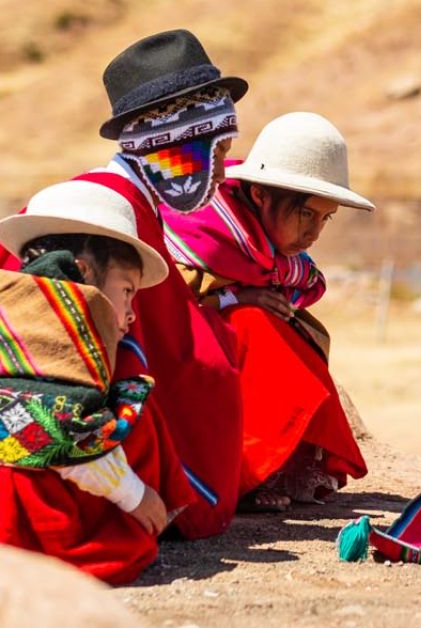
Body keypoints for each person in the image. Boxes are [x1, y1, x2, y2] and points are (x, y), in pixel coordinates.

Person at [0, 29, 248, 538]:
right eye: (217, 153)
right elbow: (170, 353)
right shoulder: (118, 212)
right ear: (181, 146)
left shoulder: (119, 198)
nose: (223, 173)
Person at [162, 112, 373, 511]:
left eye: (325, 218)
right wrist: (233, 301)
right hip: (179, 351)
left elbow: (303, 286)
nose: (313, 234)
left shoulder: (270, 254)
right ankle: (244, 470)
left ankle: (285, 462)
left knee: (288, 330)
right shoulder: (203, 230)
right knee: (254, 325)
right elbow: (167, 306)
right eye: (305, 214)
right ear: (260, 195)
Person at [0, 180, 197, 583]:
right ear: (85, 272)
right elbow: (50, 431)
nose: (130, 314)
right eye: (126, 292)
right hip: (32, 530)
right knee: (136, 402)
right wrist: (134, 494)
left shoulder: (15, 310)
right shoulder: (54, 327)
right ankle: (132, 526)